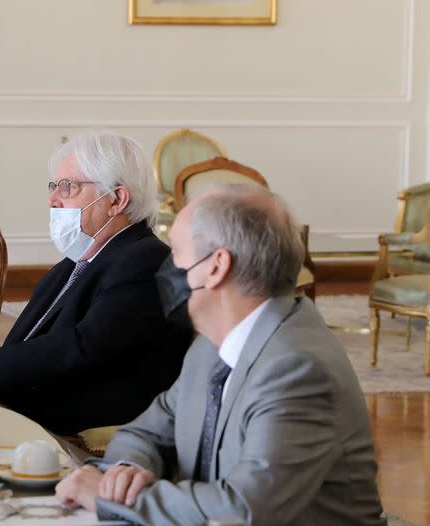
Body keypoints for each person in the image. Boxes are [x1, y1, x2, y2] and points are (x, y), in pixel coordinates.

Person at [55, 184, 385, 525]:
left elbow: (245, 509)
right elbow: (145, 432)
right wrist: (127, 470)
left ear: (215, 267)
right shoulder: (212, 345)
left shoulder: (296, 368)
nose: (166, 268)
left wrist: (116, 500)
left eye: (176, 253)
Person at [0, 132, 192, 435]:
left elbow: (83, 348)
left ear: (117, 200)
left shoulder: (146, 261)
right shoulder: (74, 263)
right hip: (28, 405)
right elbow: (27, 346)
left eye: (68, 187)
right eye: (54, 186)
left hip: (76, 429)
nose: (53, 199)